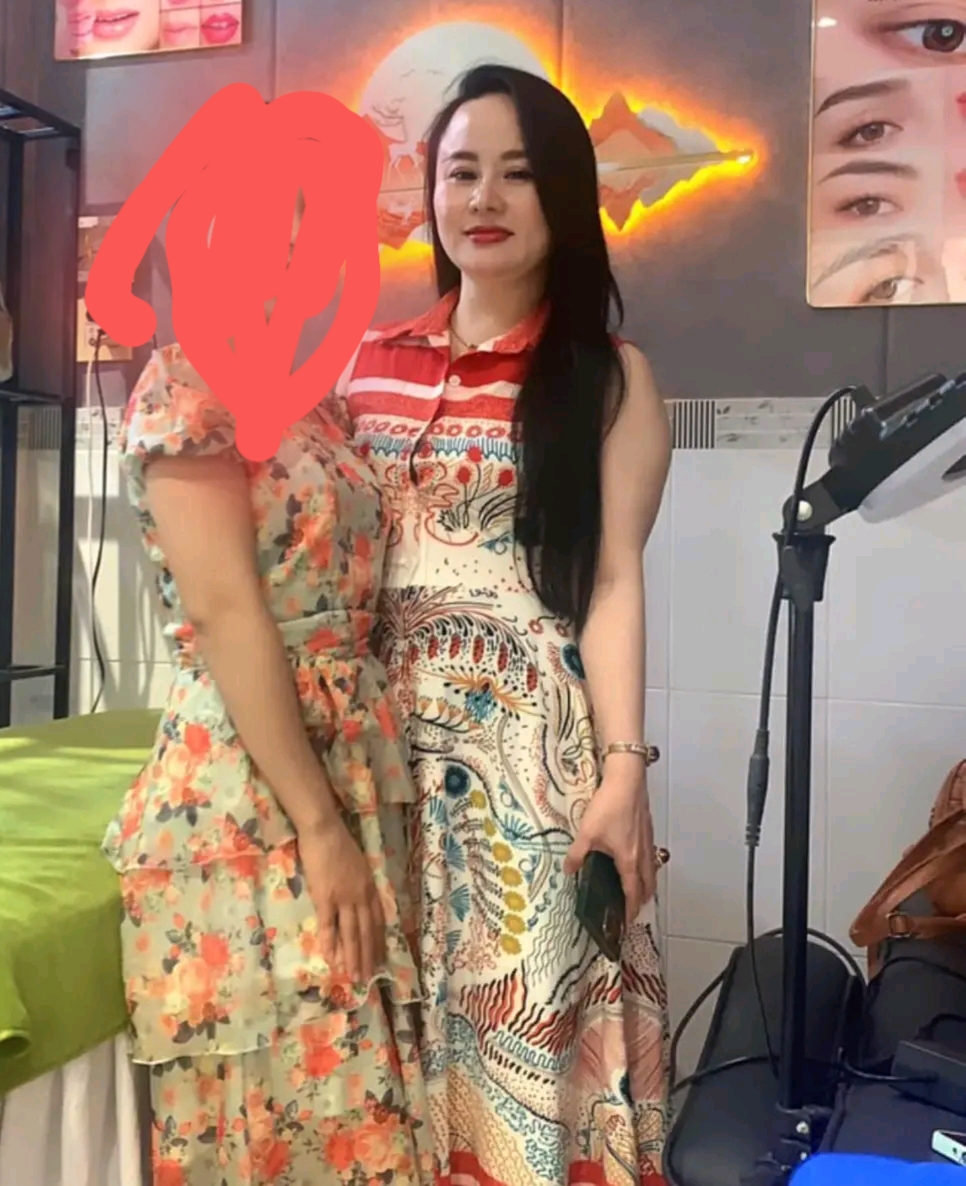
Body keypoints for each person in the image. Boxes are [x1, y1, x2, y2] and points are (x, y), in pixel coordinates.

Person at [327, 63, 672, 1186]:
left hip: (537, 786)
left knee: (524, 1072)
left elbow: (612, 583)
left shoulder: (610, 380)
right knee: (378, 1067)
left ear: (563, 197)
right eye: (460, 171)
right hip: (380, 781)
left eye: (517, 175)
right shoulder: (363, 370)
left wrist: (624, 773)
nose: (483, 198)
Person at [101, 193, 434, 1185]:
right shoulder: (186, 383)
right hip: (254, 783)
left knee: (365, 1101)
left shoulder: (318, 401)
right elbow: (225, 614)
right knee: (292, 1107)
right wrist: (319, 826)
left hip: (351, 761)